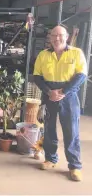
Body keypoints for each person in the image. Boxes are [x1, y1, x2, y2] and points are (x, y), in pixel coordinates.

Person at [33, 25, 87, 181]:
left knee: (71, 130)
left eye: (60, 35)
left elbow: (81, 76)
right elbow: (37, 76)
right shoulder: (43, 55)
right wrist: (50, 92)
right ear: (50, 38)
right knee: (49, 129)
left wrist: (63, 92)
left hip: (68, 96)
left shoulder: (76, 53)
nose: (57, 38)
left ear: (67, 36)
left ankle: (75, 166)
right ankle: (50, 159)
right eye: (54, 35)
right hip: (48, 94)